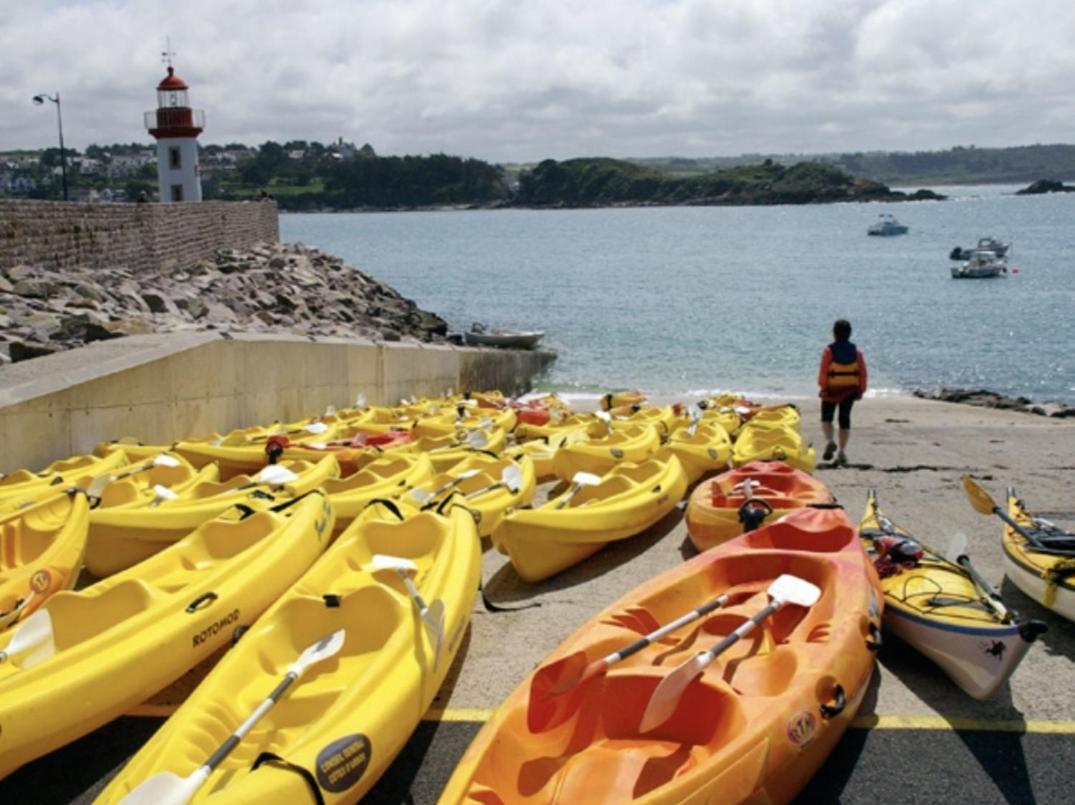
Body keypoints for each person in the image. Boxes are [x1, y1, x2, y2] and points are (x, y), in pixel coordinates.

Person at [818, 319, 867, 466]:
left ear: (834, 334)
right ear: (850, 334)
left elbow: (824, 372)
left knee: (826, 419)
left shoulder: (828, 351)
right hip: (850, 390)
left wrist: (823, 388)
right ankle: (842, 451)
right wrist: (861, 390)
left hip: (831, 390)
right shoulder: (857, 352)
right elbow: (863, 373)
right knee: (844, 420)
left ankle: (830, 441)